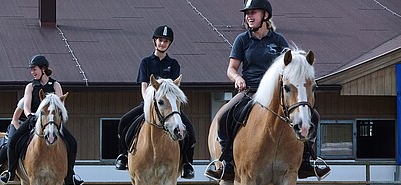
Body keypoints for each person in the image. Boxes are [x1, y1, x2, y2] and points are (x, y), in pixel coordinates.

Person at [204, 0, 331, 180]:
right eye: (247, 13)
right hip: (250, 91)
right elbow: (231, 69)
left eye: (253, 12)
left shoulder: (278, 40)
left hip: (276, 94)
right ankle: (226, 162)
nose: (249, 16)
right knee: (224, 115)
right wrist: (238, 78)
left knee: (313, 116)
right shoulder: (242, 40)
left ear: (265, 15)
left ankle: (307, 160)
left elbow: (291, 67)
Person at [115, 25, 196, 179]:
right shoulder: (146, 62)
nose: (162, 43)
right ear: (155, 41)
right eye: (160, 40)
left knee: (189, 130)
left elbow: (173, 89)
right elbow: (144, 86)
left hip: (168, 106)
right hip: (149, 103)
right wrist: (149, 101)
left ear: (169, 44)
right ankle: (123, 156)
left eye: (166, 41)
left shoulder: (174, 64)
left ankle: (187, 164)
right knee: (124, 121)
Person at [0, 54, 84, 185]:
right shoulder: (30, 86)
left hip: (52, 121)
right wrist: (29, 116)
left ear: (43, 69)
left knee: (72, 143)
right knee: (13, 141)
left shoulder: (56, 85)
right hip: (34, 119)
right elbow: (26, 106)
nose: (32, 72)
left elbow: (60, 105)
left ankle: (70, 174)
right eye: (31, 70)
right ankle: (10, 172)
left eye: (34, 69)